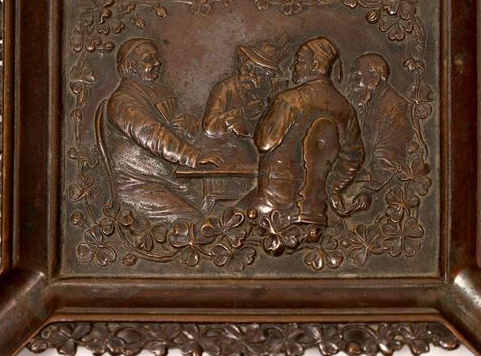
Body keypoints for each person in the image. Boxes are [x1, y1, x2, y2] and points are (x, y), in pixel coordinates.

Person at [239, 36, 364, 225]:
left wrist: (270, 109)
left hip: (274, 203)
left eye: (299, 61)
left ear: (315, 65)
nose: (293, 67)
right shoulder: (345, 108)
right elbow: (353, 157)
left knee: (229, 217)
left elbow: (264, 143)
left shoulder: (290, 100)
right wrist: (331, 189)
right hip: (315, 205)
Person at [102, 38, 221, 221]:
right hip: (139, 184)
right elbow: (153, 135)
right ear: (132, 66)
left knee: (214, 209)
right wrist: (194, 156)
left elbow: (173, 130)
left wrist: (186, 125)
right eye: (148, 59)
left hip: (167, 179)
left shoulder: (156, 92)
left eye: (156, 58)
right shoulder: (123, 101)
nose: (157, 63)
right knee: (194, 220)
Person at [338, 52, 414, 215]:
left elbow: (389, 155)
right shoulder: (365, 102)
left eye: (358, 77)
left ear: (375, 78)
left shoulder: (394, 106)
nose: (353, 84)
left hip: (372, 183)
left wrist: (368, 190)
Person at [202, 41, 284, 140]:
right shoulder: (225, 88)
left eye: (258, 72)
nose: (251, 75)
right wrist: (243, 111)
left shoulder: (268, 92)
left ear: (267, 76)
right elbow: (209, 125)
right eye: (247, 68)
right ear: (241, 63)